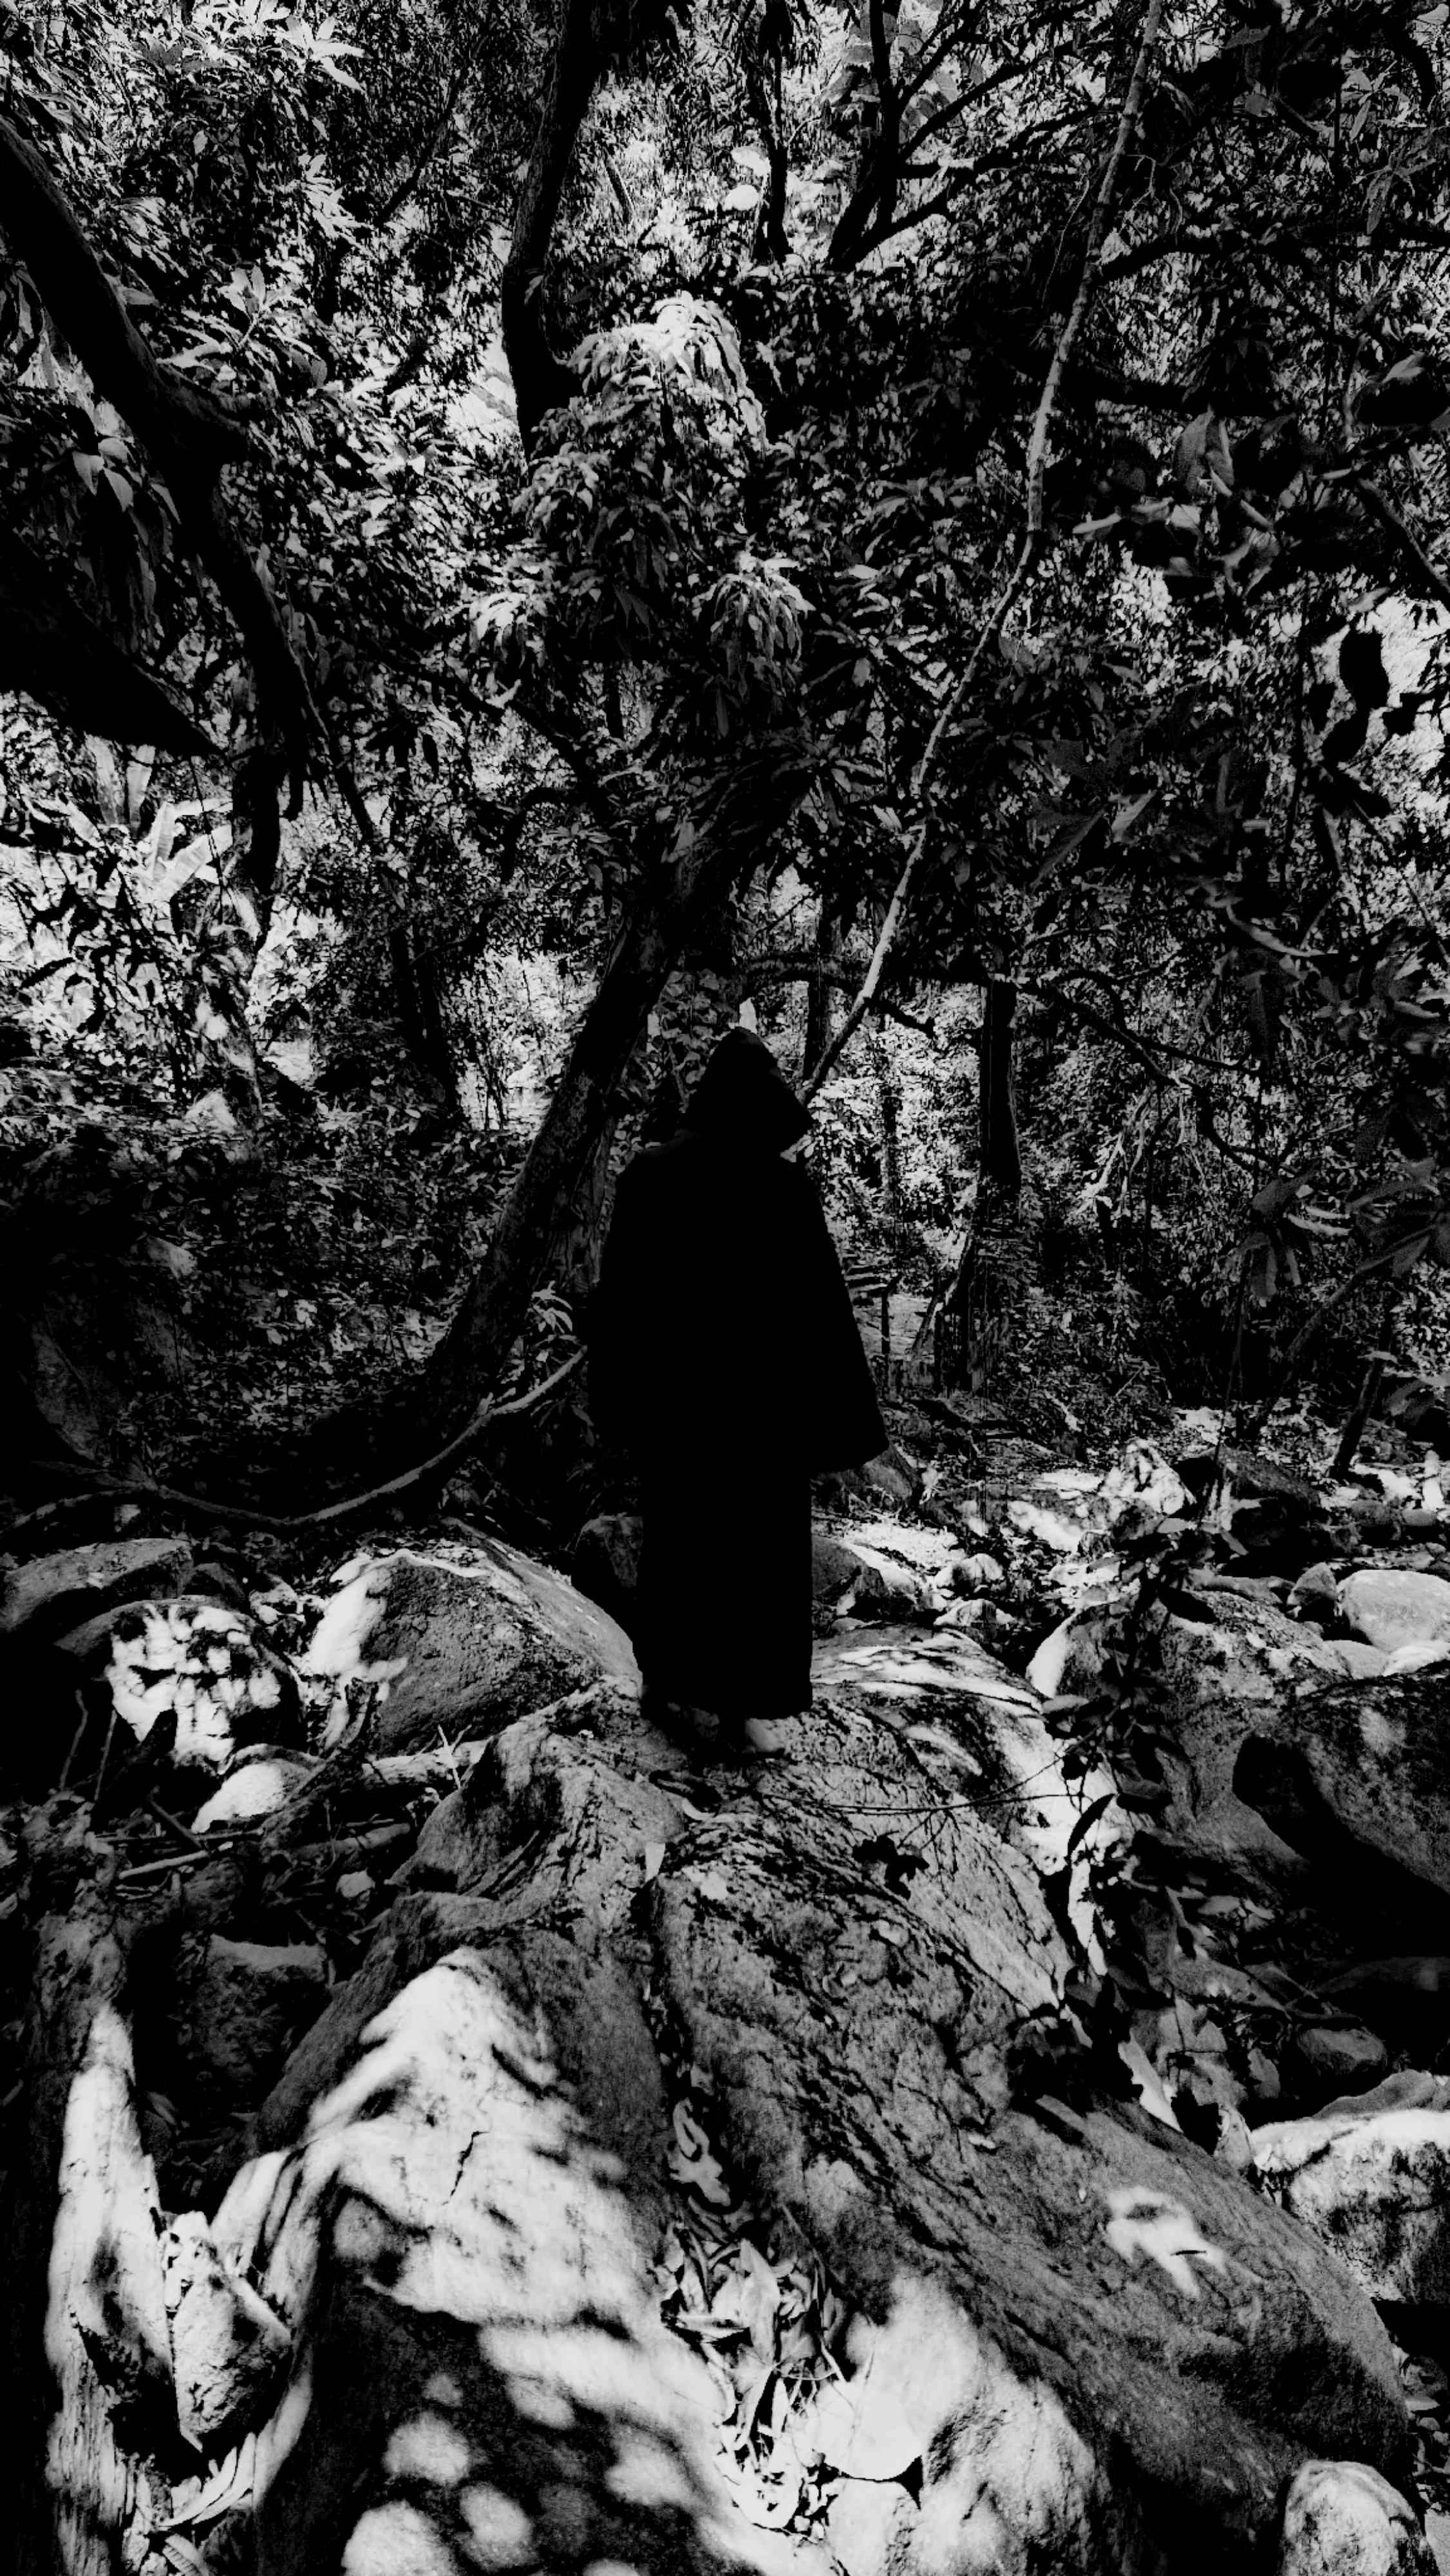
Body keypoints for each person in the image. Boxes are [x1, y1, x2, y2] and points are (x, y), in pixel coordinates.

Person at [588, 1025, 885, 1756]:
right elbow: (821, 1315)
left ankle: (664, 1681)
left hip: (678, 1412)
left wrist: (618, 1400)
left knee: (681, 1546)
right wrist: (838, 1425)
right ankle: (732, 1715)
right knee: (753, 1565)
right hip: (761, 1421)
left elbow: (620, 1301)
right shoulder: (784, 1191)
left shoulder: (650, 1174)